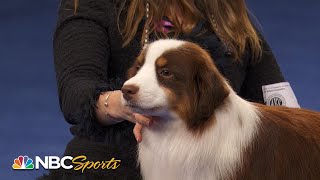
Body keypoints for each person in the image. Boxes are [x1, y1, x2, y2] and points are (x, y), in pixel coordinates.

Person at [41, 0, 299, 179]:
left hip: (213, 171)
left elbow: (279, 107)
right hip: (110, 168)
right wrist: (122, 104)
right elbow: (75, 92)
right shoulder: (94, 6)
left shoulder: (227, 15)